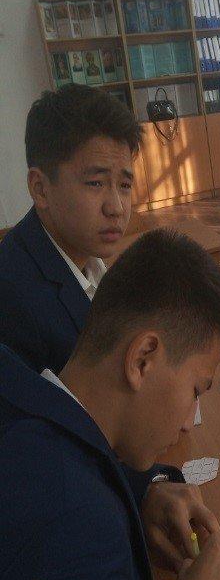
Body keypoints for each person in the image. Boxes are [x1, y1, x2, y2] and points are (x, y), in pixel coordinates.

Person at [0, 229, 220, 580]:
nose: (188, 422)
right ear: (143, 359)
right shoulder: (86, 536)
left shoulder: (17, 393)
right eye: (195, 391)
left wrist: (139, 492)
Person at [0, 83, 138, 374]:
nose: (116, 207)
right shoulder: (13, 302)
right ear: (41, 189)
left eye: (125, 185)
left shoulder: (86, 255)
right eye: (95, 183)